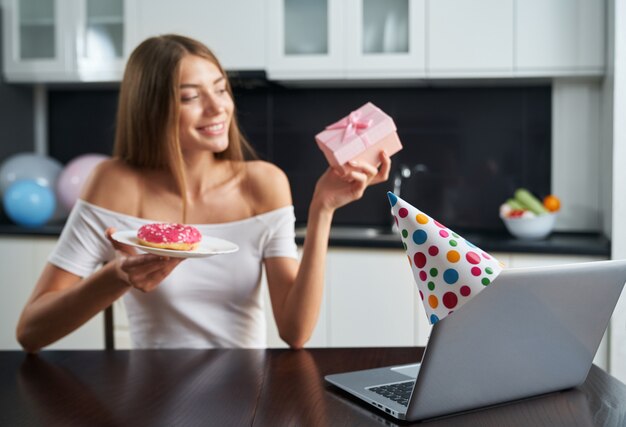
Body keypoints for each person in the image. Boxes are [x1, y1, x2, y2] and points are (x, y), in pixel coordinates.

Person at [16, 34, 391, 351]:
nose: (218, 108)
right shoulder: (114, 183)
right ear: (151, 109)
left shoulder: (262, 183)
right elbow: (31, 332)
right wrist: (117, 277)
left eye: (221, 89)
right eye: (190, 97)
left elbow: (295, 332)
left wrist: (322, 208)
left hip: (247, 392)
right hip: (150, 395)